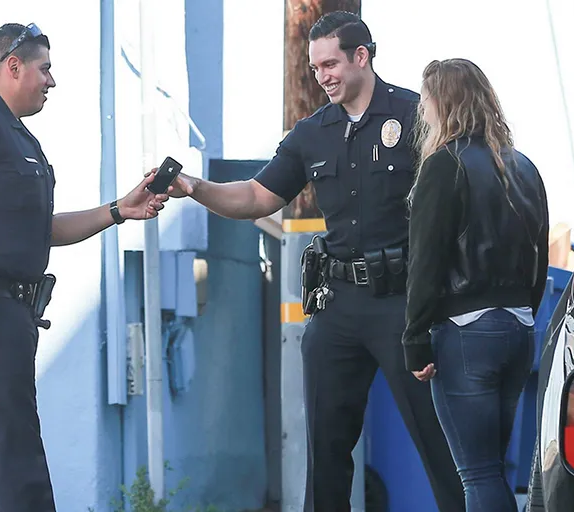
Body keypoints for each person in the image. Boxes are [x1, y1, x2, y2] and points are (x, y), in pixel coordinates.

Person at [168, 11, 464, 512]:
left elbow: (457, 199)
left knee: (439, 444)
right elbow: (257, 197)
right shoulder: (312, 132)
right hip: (340, 304)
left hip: (405, 304)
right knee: (325, 450)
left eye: (331, 64)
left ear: (361, 57)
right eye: (314, 68)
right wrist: (195, 189)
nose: (322, 76)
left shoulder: (415, 116)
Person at [0, 23, 169, 512]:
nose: (52, 80)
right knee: (18, 466)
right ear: (13, 67)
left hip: (9, 318)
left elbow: (39, 229)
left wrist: (119, 209)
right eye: (44, 68)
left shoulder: (15, 136)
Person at [402, 58, 550, 512]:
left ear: (442, 103)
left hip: (466, 333)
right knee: (494, 470)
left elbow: (426, 262)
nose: (422, 111)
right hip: (518, 329)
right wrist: (523, 311)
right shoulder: (523, 167)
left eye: (425, 100)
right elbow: (540, 257)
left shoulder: (445, 165)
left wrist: (415, 341)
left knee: (478, 474)